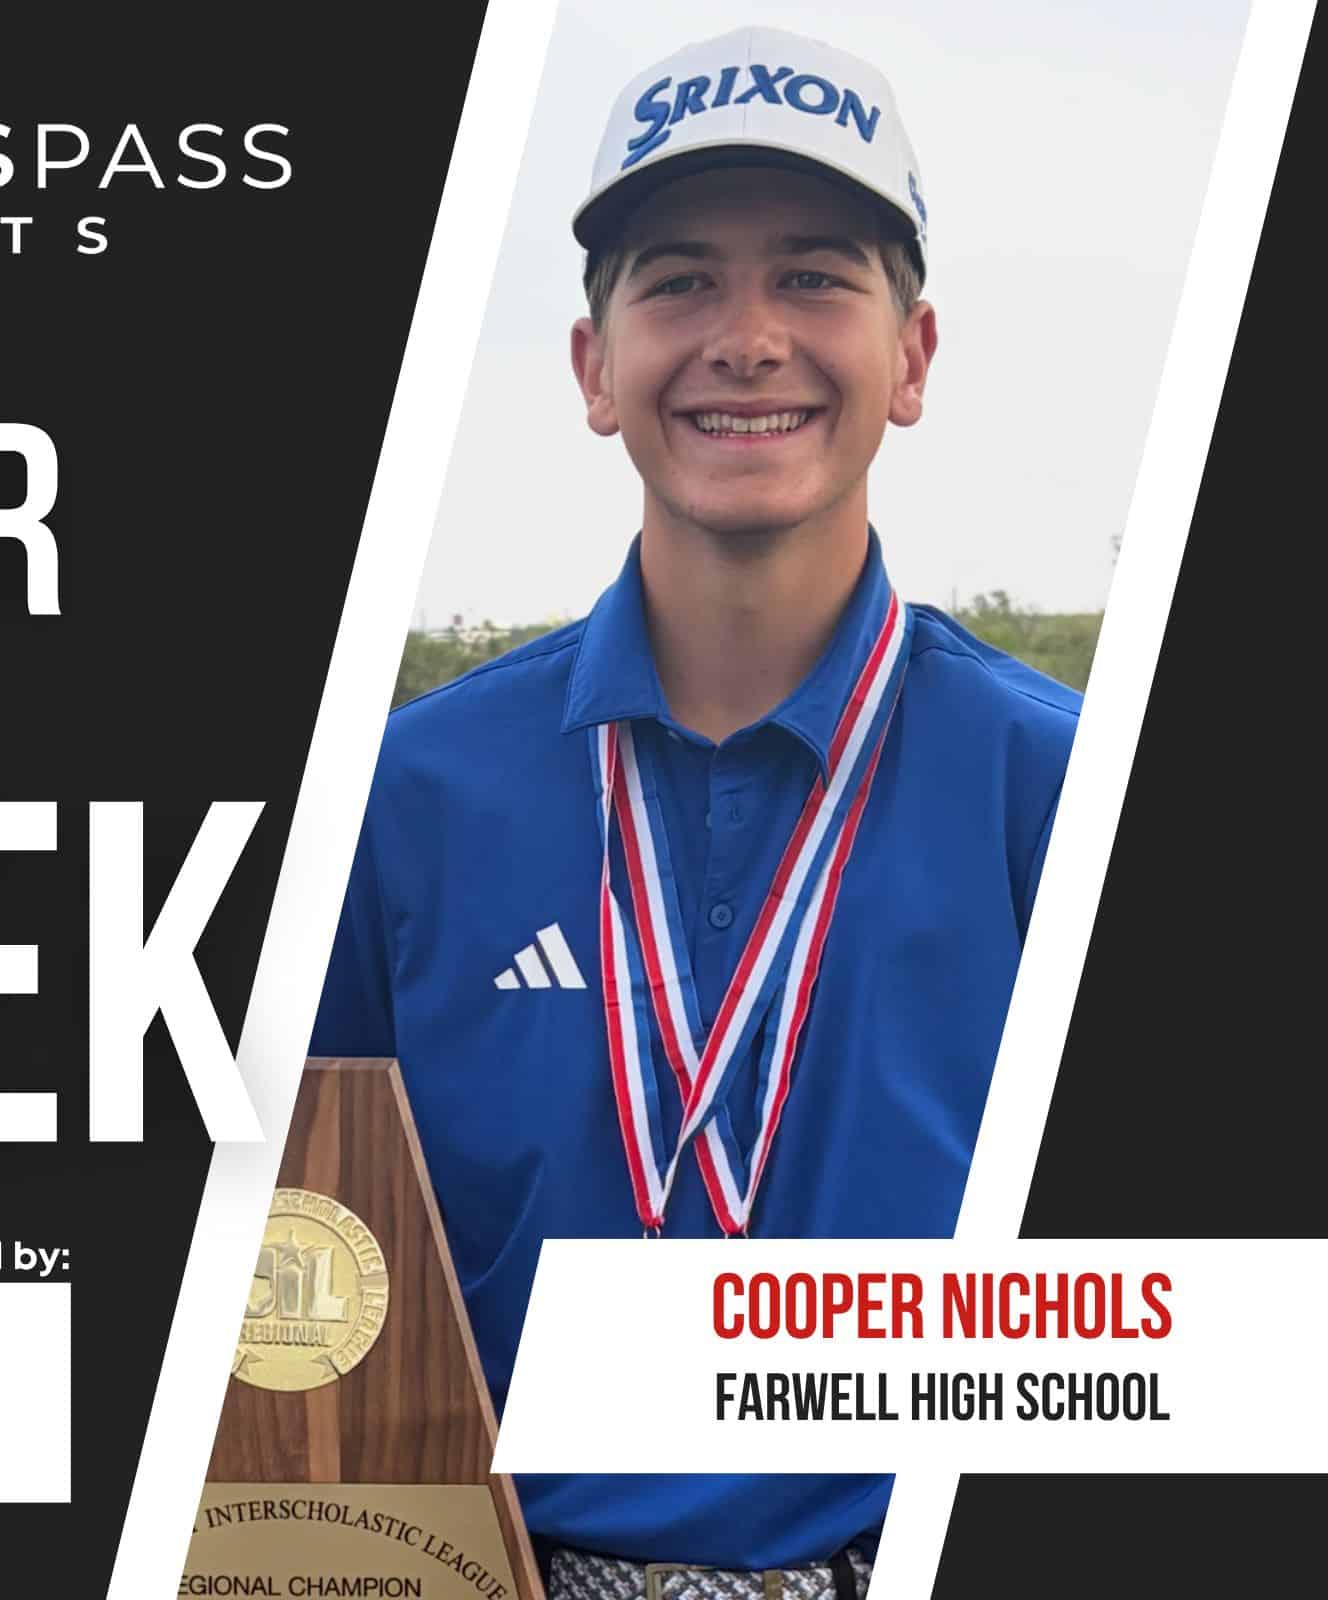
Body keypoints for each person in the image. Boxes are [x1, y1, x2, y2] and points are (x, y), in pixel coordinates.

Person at [310, 25, 1080, 1599]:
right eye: (677, 281)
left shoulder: (1057, 787)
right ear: (595, 369)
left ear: (912, 357)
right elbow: (302, 1253)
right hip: (488, 1569)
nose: (746, 339)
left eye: (812, 277)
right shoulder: (405, 793)